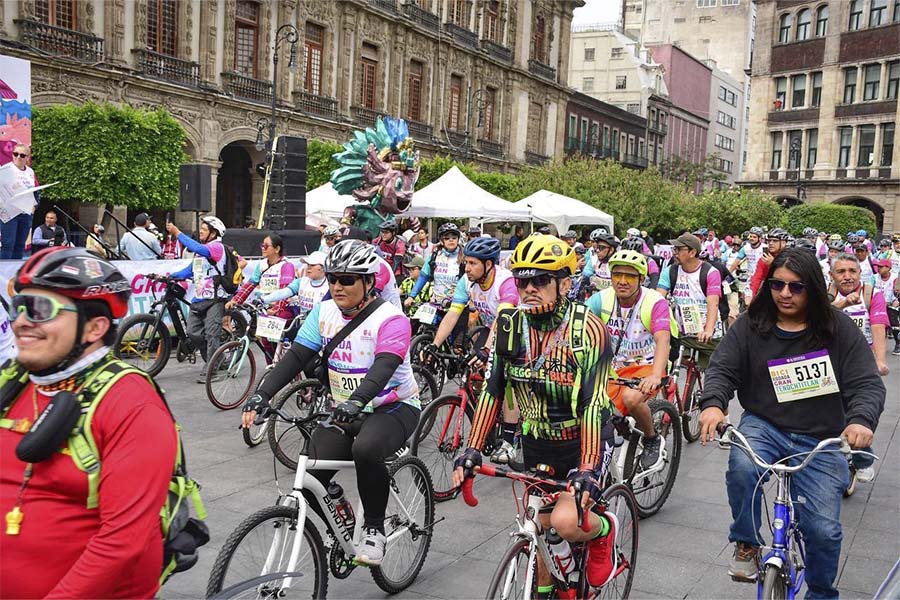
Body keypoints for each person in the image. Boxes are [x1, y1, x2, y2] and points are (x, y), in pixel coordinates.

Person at [698, 249, 885, 594]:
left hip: (822, 437)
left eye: (796, 287)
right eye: (778, 285)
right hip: (765, 424)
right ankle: (746, 543)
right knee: (741, 466)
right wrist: (713, 404)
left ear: (812, 287)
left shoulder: (837, 328)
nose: (785, 293)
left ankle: (820, 591)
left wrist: (860, 421)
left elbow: (867, 383)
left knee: (824, 531)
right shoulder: (751, 325)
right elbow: (723, 368)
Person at [0, 247, 177, 598]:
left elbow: (122, 542)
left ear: (94, 328)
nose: (20, 322)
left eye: (39, 310)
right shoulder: (11, 381)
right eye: (20, 307)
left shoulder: (131, 403)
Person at [452, 234, 619, 589]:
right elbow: (493, 391)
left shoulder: (588, 329)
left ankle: (604, 532)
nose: (529, 288)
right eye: (522, 280)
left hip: (584, 437)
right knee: (537, 527)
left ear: (565, 283)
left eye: (540, 280)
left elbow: (591, 404)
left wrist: (587, 469)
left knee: (563, 522)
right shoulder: (510, 325)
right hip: (537, 439)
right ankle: (547, 591)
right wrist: (472, 449)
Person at [241, 240, 421, 566]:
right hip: (345, 409)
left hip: (393, 407)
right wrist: (261, 394)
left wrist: (356, 401)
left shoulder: (392, 319)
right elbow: (296, 357)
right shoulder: (323, 313)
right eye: (333, 278)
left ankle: (374, 530)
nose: (337, 286)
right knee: (308, 477)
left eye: (347, 279)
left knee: (365, 450)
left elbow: (383, 367)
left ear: (368, 283)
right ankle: (341, 515)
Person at [587, 249, 676, 470]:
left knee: (631, 398)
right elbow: (579, 330)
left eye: (630, 276)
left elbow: (663, 339)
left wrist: (657, 374)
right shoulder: (600, 299)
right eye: (617, 275)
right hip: (612, 367)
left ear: (642, 279)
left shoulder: (654, 301)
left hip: (647, 365)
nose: (622, 281)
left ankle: (651, 438)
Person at [164, 216, 229, 383]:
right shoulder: (200, 254)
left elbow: (198, 248)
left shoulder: (216, 248)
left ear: (214, 233)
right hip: (199, 299)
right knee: (193, 332)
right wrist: (169, 277)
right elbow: (189, 271)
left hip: (216, 299)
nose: (200, 231)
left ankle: (211, 371)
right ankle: (217, 360)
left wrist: (177, 233)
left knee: (211, 334)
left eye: (204, 229)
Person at [226, 233, 296, 360]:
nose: (262, 248)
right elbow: (251, 284)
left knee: (276, 343)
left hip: (283, 309)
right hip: (265, 309)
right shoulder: (262, 265)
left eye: (266, 246)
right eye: (262, 245)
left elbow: (285, 291)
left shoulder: (286, 266)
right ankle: (271, 371)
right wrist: (235, 300)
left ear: (277, 249)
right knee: (266, 344)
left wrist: (276, 309)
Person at [829, 253, 890, 377]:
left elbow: (878, 329)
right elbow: (815, 317)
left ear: (860, 273)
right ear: (831, 275)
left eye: (852, 271)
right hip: (831, 358)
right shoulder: (823, 293)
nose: (847, 277)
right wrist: (843, 304)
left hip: (862, 357)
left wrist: (880, 361)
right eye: (840, 272)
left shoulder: (873, 294)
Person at [0, 144, 38, 260]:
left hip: (25, 213)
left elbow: (36, 191)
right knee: (8, 244)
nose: (18, 157)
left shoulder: (30, 172)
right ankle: (3, 274)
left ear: (27, 158)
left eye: (22, 155)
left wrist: (34, 207)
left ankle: (15, 273)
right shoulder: (4, 170)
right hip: (9, 213)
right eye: (15, 154)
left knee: (20, 245)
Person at [749, 228, 790, 297]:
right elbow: (757, 278)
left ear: (783, 243)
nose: (771, 243)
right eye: (769, 240)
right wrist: (752, 295)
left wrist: (772, 264)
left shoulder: (790, 257)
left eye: (775, 241)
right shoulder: (765, 258)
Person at [872, 257, 900, 355]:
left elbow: (898, 291)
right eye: (878, 266)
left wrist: (898, 301)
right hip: (878, 305)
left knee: (894, 324)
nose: (878, 268)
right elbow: (869, 290)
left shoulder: (895, 278)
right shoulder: (874, 277)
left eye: (881, 267)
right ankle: (879, 345)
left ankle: (898, 344)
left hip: (891, 303)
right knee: (879, 325)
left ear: (888, 268)